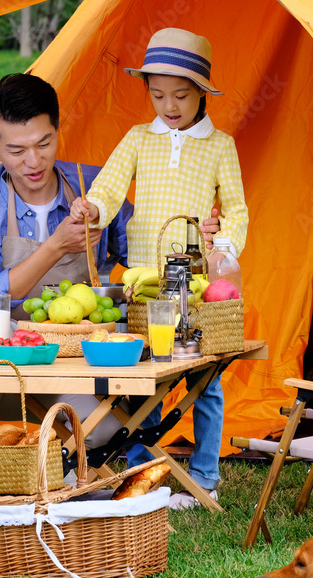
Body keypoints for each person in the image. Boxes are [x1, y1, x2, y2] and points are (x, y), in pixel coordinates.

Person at [0, 72, 220, 478]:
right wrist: (55, 246)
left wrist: (200, 242)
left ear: (58, 130)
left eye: (44, 143)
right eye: (17, 150)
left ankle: (67, 467)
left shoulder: (96, 187)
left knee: (106, 433)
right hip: (6, 352)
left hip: (77, 352)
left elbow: (148, 258)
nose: (34, 161)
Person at [71, 28, 248, 508]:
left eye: (182, 96)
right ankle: (143, 475)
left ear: (202, 95)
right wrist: (93, 209)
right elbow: (108, 188)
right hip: (144, 283)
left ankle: (205, 477)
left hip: (193, 282)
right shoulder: (137, 139)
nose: (169, 105)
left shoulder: (219, 145)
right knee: (143, 382)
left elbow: (235, 208)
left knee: (203, 384)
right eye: (158, 94)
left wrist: (225, 244)